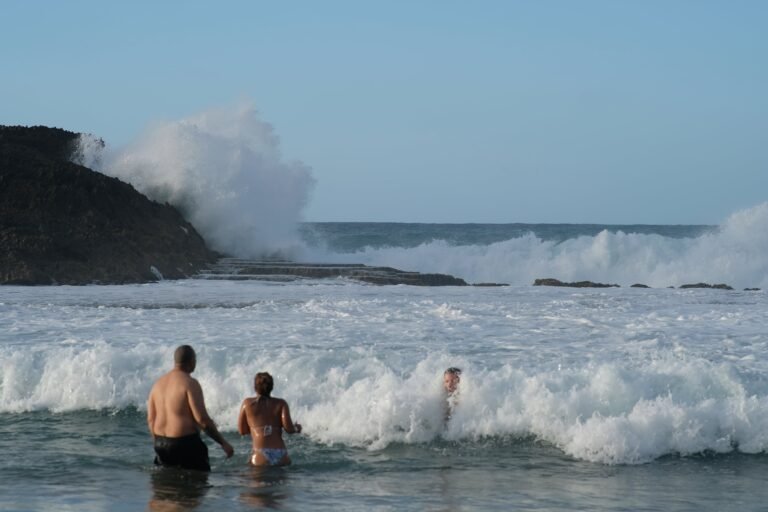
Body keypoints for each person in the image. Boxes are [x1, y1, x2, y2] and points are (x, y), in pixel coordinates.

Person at [147, 345, 234, 471]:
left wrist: (158, 442)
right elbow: (202, 420)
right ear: (192, 361)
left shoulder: (157, 385)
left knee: (165, 488)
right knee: (197, 486)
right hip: (185, 444)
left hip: (160, 444)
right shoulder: (189, 383)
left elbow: (150, 420)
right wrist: (223, 443)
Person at [238, 372, 302, 466]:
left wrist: (255, 428)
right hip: (281, 453)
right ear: (271, 387)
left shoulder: (247, 404)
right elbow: (289, 429)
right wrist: (297, 428)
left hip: (260, 455)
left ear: (255, 387)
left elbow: (242, 431)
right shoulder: (281, 403)